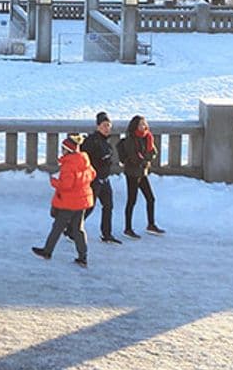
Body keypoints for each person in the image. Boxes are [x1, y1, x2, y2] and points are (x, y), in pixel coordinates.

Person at [32, 134, 95, 267]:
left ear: (68, 150)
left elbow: (66, 185)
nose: (61, 151)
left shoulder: (68, 165)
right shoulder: (84, 159)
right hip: (82, 201)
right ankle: (83, 257)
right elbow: (92, 174)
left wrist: (54, 181)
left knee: (57, 227)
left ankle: (47, 251)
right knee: (78, 229)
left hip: (69, 202)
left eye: (63, 148)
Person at [120, 114, 164, 237]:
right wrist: (145, 159)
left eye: (144, 124)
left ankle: (151, 224)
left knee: (151, 198)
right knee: (131, 200)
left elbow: (153, 153)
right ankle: (127, 228)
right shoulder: (130, 139)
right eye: (140, 124)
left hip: (142, 173)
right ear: (135, 126)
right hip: (132, 173)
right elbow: (134, 158)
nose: (143, 126)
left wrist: (145, 158)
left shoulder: (147, 137)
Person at [82, 111, 121, 243]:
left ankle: (107, 234)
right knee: (89, 207)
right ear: (98, 126)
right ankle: (71, 229)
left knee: (108, 206)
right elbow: (84, 159)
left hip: (105, 179)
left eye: (108, 125)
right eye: (104, 125)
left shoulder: (105, 141)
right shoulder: (91, 141)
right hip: (94, 180)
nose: (107, 128)